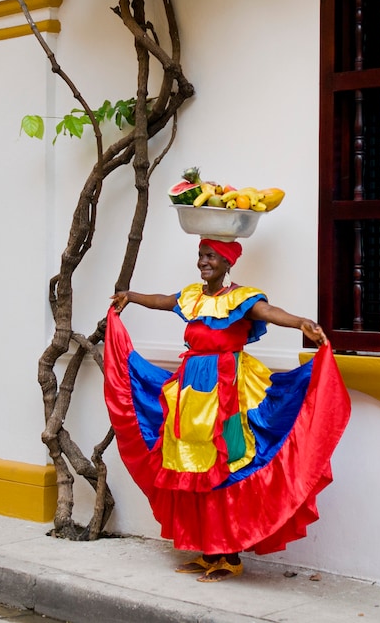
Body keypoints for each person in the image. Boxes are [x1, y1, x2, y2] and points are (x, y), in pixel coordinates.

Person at [105, 238, 350, 583]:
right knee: (193, 467)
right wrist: (130, 297)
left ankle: (228, 555)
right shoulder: (192, 296)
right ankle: (208, 551)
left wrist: (300, 324)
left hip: (228, 393)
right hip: (191, 393)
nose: (203, 263)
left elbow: (270, 312)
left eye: (210, 257)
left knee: (226, 466)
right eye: (201, 256)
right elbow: (162, 301)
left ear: (226, 262)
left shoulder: (241, 297)